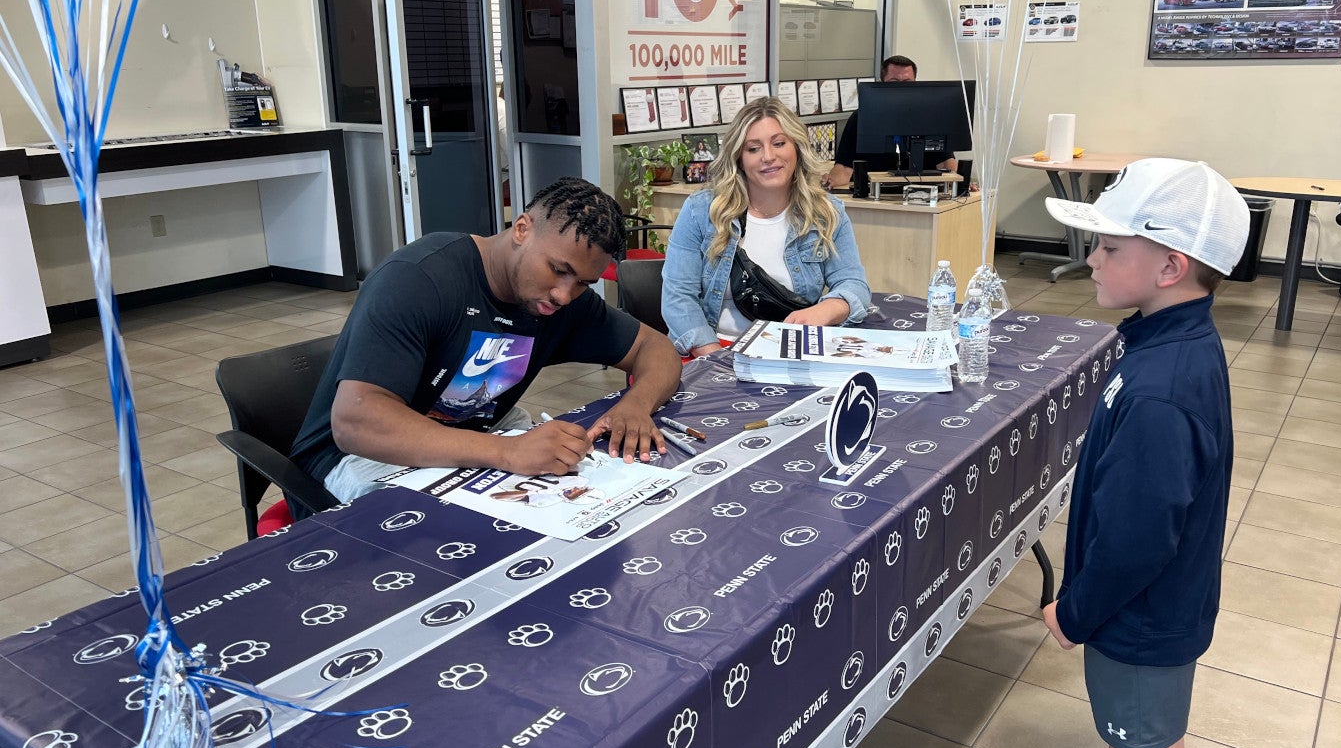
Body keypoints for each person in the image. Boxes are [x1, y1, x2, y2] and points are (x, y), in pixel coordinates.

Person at [1005, 157, 1251, 748]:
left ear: (1171, 266)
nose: (1093, 259)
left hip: (1142, 616)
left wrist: (1075, 612)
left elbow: (1141, 539)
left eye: (1112, 248)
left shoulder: (1160, 391)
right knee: (1124, 731)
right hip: (1141, 613)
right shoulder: (1167, 344)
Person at [289, 177, 682, 518]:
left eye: (583, 283)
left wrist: (635, 405)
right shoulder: (418, 279)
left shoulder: (562, 300)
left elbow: (656, 348)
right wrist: (505, 453)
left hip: (476, 435)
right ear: (522, 229)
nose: (564, 294)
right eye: (558, 270)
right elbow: (356, 423)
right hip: (355, 457)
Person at [661, 96, 870, 358]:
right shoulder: (701, 211)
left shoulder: (827, 212)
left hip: (791, 351)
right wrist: (716, 360)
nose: (768, 157)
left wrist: (826, 309)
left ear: (797, 147)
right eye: (753, 149)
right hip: (713, 349)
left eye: (779, 143)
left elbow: (854, 284)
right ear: (739, 158)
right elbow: (678, 299)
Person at [823, 54, 960, 189]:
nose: (901, 89)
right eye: (894, 83)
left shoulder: (931, 118)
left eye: (907, 83)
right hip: (875, 194)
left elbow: (946, 163)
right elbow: (845, 168)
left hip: (922, 194)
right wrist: (830, 181)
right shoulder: (860, 118)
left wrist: (961, 183)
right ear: (881, 84)